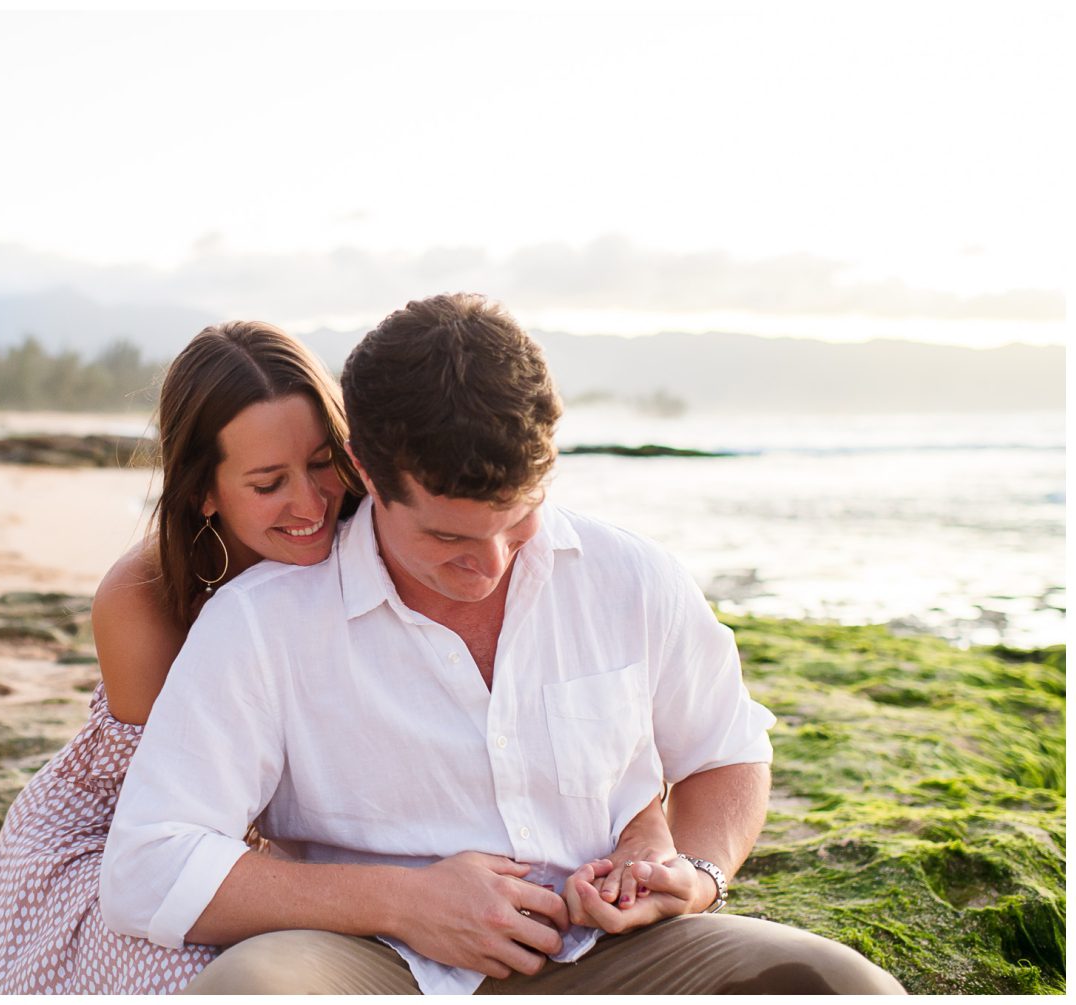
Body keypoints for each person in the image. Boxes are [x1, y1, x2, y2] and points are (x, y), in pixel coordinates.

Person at [100, 293, 907, 994]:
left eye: (519, 519)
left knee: (849, 985)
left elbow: (726, 753)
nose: (489, 565)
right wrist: (401, 901)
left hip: (613, 954)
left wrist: (690, 873)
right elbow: (149, 863)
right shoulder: (259, 622)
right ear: (364, 472)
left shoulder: (632, 576)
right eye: (448, 534)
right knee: (243, 991)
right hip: (372, 959)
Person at [0, 321, 362, 994]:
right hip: (115, 838)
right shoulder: (140, 599)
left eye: (323, 460)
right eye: (269, 482)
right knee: (195, 974)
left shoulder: (369, 533)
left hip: (259, 827)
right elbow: (172, 824)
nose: (309, 502)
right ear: (202, 492)